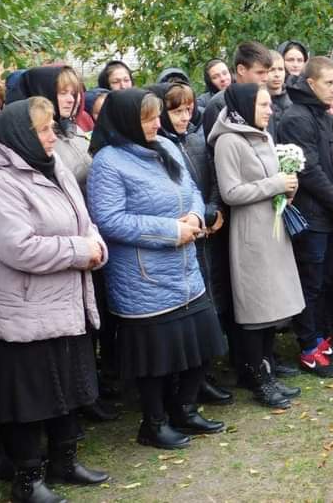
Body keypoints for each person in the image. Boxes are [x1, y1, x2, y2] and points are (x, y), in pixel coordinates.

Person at [0, 99, 110, 501]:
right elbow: (17, 247)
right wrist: (80, 251)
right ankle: (28, 480)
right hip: (24, 310)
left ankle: (64, 462)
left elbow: (85, 221)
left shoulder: (54, 168)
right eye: (42, 129)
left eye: (52, 126)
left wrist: (96, 247)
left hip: (64, 301)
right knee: (30, 400)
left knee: (66, 389)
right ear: (21, 136)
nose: (52, 135)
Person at [87, 89, 226, 450]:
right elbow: (109, 220)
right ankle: (154, 422)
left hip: (185, 268)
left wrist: (196, 216)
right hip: (143, 277)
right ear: (126, 122)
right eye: (146, 118)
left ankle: (184, 408)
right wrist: (170, 231)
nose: (154, 124)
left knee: (203, 342)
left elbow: (191, 188)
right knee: (155, 359)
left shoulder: (164, 146)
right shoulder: (108, 162)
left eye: (155, 116)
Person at [210, 83, 305, 409]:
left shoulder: (260, 134)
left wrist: (287, 189)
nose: (270, 110)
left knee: (272, 308)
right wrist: (274, 184)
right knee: (255, 311)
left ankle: (269, 371)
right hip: (251, 235)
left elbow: (269, 182)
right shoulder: (228, 141)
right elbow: (231, 192)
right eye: (263, 105)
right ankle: (258, 380)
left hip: (273, 230)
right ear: (245, 106)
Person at [151, 81, 232, 406]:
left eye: (188, 110)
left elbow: (212, 176)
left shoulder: (197, 138)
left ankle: (206, 373)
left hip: (209, 226)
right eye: (176, 112)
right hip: (184, 234)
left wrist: (213, 209)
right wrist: (195, 219)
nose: (185, 117)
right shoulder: (160, 147)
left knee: (214, 298)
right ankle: (191, 382)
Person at [276, 57, 333, 377]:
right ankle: (308, 347)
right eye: (329, 83)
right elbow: (310, 171)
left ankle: (321, 339)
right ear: (310, 83)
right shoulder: (296, 117)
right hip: (310, 215)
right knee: (310, 284)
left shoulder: (320, 114)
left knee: (323, 282)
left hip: (326, 213)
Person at [6, 66, 93, 195]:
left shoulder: (73, 128)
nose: (71, 99)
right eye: (62, 93)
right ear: (41, 93)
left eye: (73, 93)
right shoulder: (32, 142)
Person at [201, 42, 273, 139]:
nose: (266, 78)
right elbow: (216, 145)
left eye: (268, 72)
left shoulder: (266, 98)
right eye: (260, 72)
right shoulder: (218, 105)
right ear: (241, 70)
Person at [266, 50, 292, 118]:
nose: (277, 74)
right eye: (272, 70)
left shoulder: (294, 100)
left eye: (280, 69)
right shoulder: (255, 102)